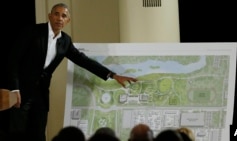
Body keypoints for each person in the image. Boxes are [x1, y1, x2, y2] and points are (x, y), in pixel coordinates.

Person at [1, 3, 137, 141]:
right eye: (56, 14)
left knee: (39, 134)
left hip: (41, 95)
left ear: (68, 21)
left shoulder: (65, 41)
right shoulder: (33, 31)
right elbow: (13, 60)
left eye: (64, 16)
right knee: (17, 134)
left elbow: (83, 61)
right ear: (50, 16)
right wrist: (14, 89)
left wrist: (113, 75)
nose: (59, 18)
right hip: (21, 92)